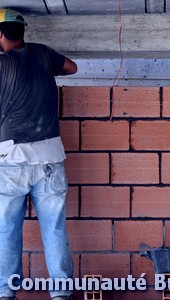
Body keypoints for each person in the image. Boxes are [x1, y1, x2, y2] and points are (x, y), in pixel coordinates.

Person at [0, 8, 77, 300]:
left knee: (7, 231)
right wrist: (42, 65)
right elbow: (71, 67)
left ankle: (6, 293)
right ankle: (62, 294)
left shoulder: (1, 65)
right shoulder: (43, 54)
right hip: (50, 159)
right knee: (54, 229)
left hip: (11, 159)